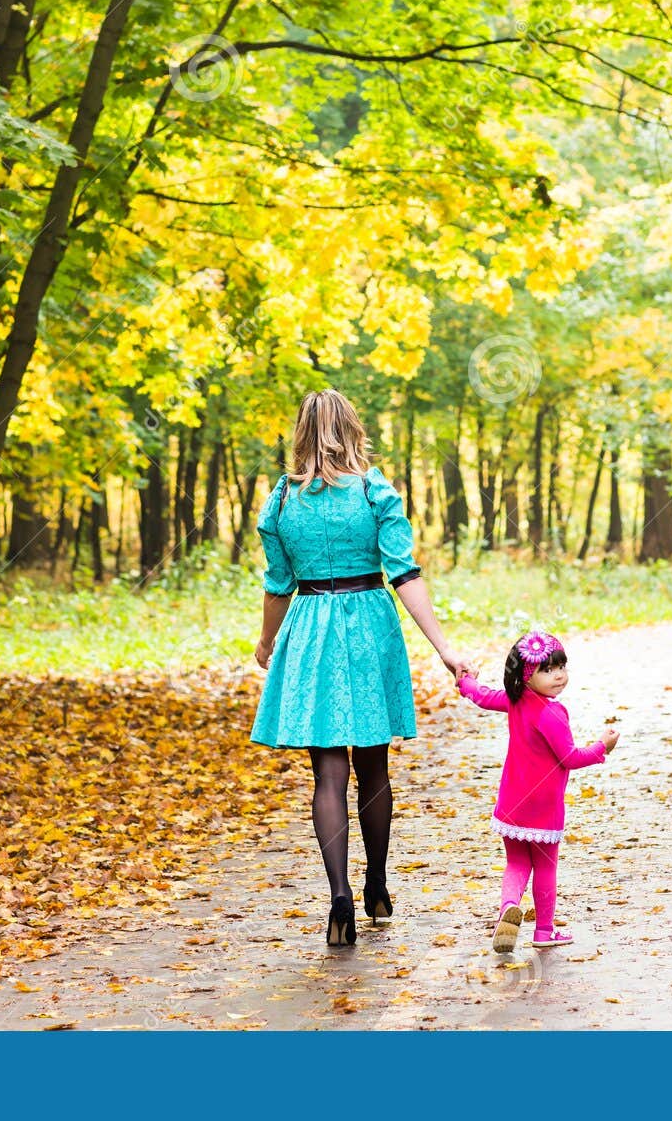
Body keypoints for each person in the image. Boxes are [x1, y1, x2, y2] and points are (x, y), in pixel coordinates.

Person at [251, 389, 472, 946]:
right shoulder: (375, 491)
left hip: (310, 629)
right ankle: (376, 882)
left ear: (300, 433)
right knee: (373, 767)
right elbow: (406, 574)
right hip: (369, 626)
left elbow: (279, 585)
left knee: (327, 771)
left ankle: (339, 898)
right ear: (353, 428)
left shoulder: (281, 501)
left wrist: (267, 640)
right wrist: (443, 647)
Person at [457, 631, 619, 951]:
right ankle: (544, 931)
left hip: (512, 802)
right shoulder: (552, 714)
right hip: (544, 808)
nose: (558, 675)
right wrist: (603, 747)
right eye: (547, 669)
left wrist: (466, 682)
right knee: (545, 866)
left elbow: (483, 695)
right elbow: (571, 758)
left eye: (561, 666)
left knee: (517, 863)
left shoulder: (515, 701)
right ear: (526, 676)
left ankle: (508, 908)